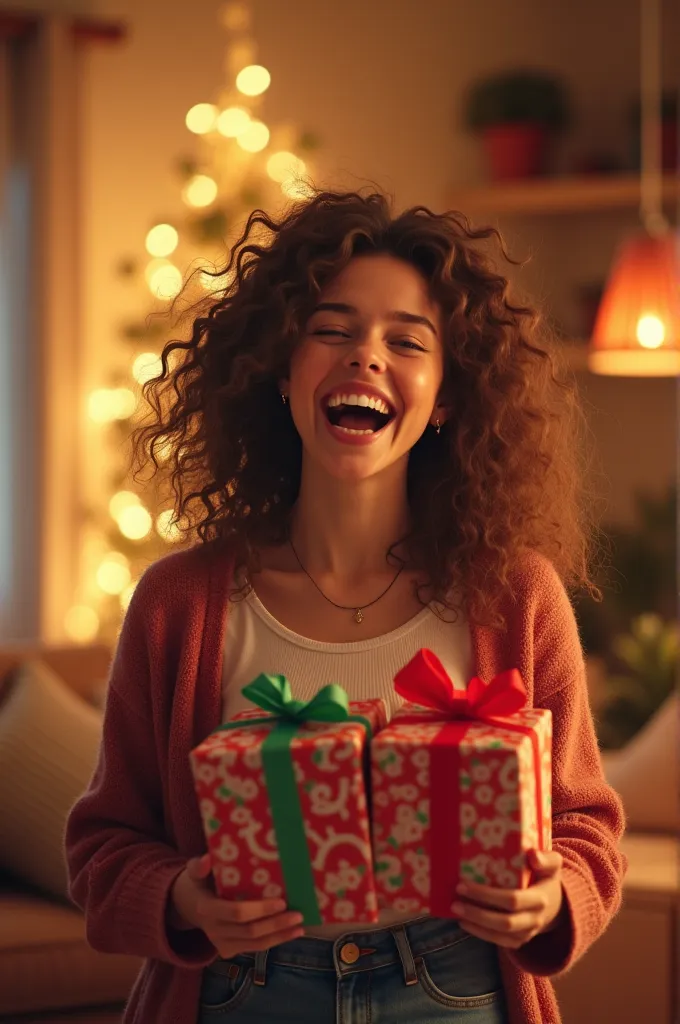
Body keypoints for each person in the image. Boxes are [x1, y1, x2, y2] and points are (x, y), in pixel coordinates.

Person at [65, 189, 626, 1024]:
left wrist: (553, 898)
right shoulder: (178, 604)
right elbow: (103, 848)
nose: (366, 356)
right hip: (239, 990)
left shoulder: (514, 594)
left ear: (444, 398)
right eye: (332, 328)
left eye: (407, 340)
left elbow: (587, 827)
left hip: (457, 985)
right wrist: (182, 896)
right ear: (281, 367)